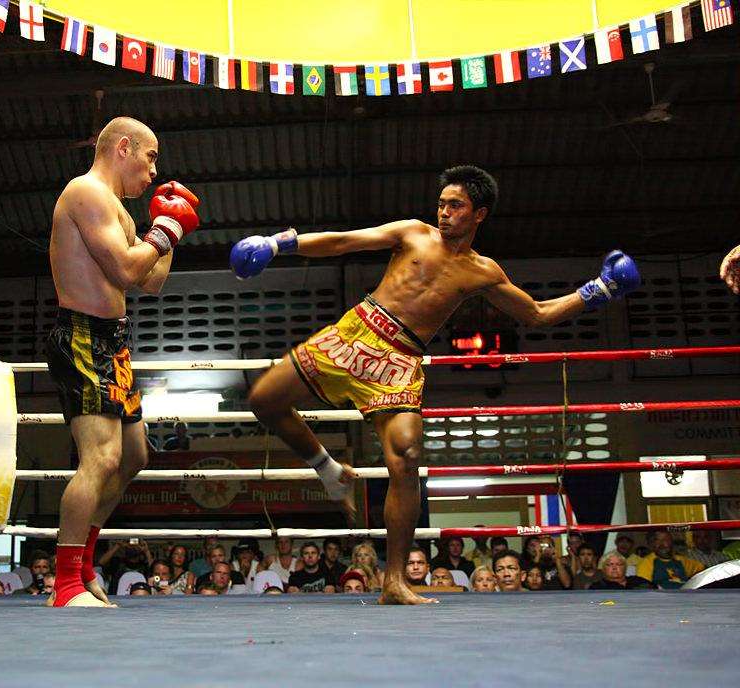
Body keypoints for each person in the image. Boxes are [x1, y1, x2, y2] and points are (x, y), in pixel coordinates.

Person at [235, 165, 639, 604]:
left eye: (455, 205)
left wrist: (599, 290)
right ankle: (331, 471)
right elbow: (344, 241)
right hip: (356, 333)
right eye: (442, 204)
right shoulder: (413, 232)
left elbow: (537, 314)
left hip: (399, 359)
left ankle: (394, 581)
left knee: (407, 458)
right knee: (263, 400)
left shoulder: (483, 271)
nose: (444, 212)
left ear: (479, 214)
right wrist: (279, 243)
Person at [45, 117, 201, 608]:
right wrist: (165, 230)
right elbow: (126, 268)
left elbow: (150, 281)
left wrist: (169, 233)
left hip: (114, 343)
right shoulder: (86, 193)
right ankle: (65, 585)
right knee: (101, 458)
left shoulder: (121, 214)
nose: (154, 172)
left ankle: (84, 563)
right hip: (81, 335)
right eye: (150, 158)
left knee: (134, 457)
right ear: (124, 147)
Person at [635, 530, 704, 589]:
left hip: (687, 596)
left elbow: (703, 570)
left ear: (671, 541)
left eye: (665, 540)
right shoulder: (646, 563)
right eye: (656, 540)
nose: (661, 544)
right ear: (651, 544)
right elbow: (643, 587)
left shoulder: (681, 560)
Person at [588, 552, 654, 590]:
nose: (614, 567)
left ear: (625, 567)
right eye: (610, 564)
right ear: (603, 569)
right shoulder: (596, 588)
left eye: (619, 564)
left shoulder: (638, 581)